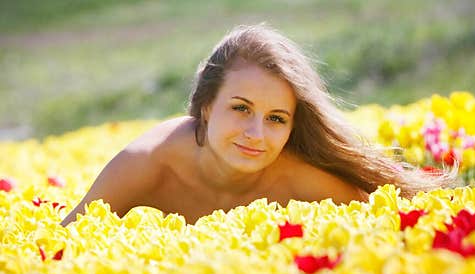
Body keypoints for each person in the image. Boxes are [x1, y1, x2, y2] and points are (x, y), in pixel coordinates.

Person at [61, 23, 454, 227]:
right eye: (241, 108)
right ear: (206, 108)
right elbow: (62, 244)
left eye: (276, 119)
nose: (256, 135)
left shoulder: (302, 180)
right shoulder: (147, 161)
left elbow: (393, 223)